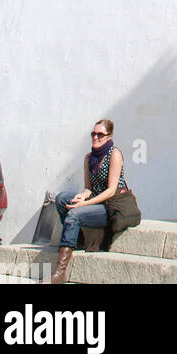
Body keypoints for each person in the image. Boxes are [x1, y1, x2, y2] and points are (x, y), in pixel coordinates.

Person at [50, 119, 131, 285]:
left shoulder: (115, 154)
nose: (95, 137)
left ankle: (60, 272)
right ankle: (77, 238)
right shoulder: (89, 158)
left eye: (100, 134)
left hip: (111, 205)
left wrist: (83, 204)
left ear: (109, 136)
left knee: (74, 215)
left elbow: (110, 191)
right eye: (93, 134)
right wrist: (82, 196)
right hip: (95, 200)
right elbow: (88, 187)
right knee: (61, 199)